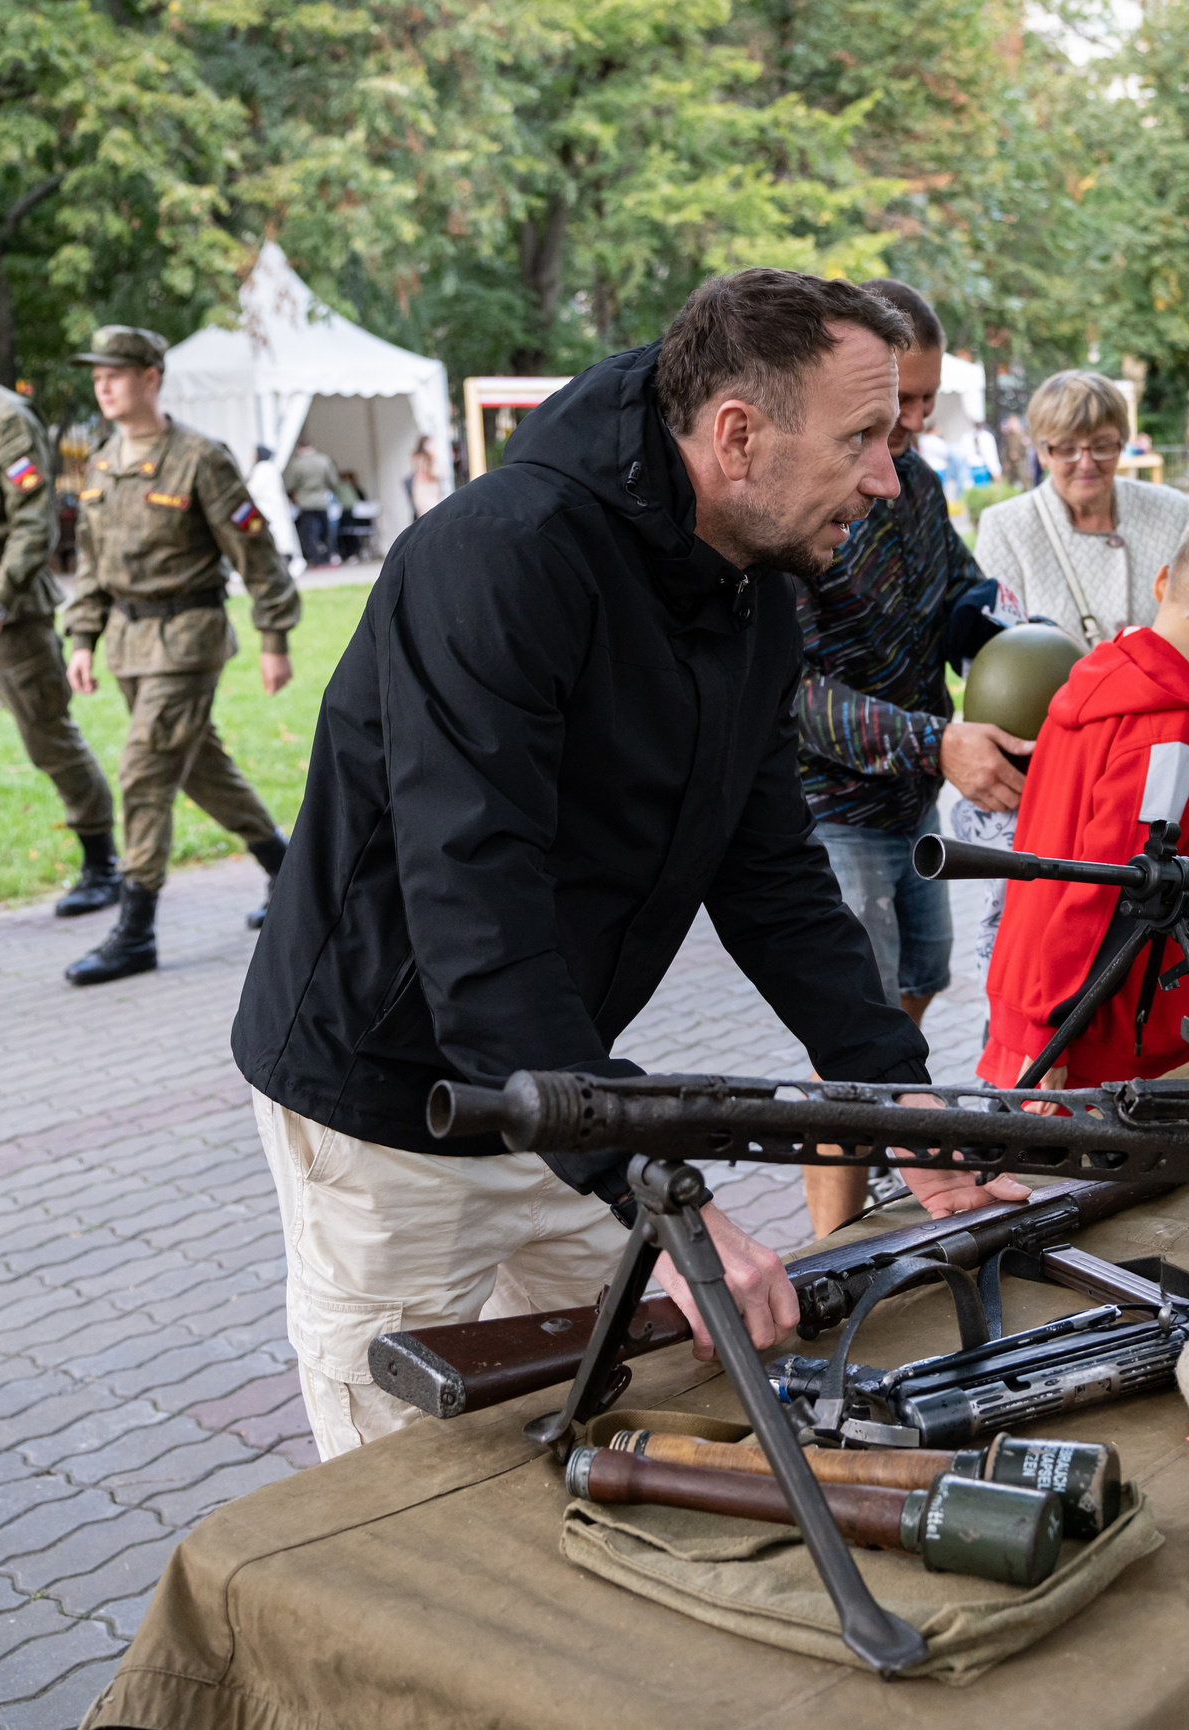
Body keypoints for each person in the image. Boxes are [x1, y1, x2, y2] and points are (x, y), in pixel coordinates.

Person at [230, 268, 1023, 1458]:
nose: (890, 476)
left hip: (563, 1083)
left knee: (644, 1392)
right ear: (738, 435)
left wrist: (888, 1088)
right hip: (388, 1102)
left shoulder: (751, 579)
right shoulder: (498, 558)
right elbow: (475, 912)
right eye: (863, 435)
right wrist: (657, 1183)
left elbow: (765, 865)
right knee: (397, 1487)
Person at [787, 278, 1027, 1237]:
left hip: (910, 804)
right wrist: (939, 742)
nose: (916, 423)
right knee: (848, 1038)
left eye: (924, 402)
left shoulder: (917, 485)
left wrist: (1022, 638)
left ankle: (898, 1154)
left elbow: (964, 597)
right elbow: (790, 697)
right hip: (831, 811)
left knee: (912, 992)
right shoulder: (806, 502)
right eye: (901, 406)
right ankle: (833, 1248)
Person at [977, 513, 1189, 1091]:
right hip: (1096, 1038)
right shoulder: (1176, 728)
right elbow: (1118, 885)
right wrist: (1056, 1034)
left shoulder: (1094, 675)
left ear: (1162, 581)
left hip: (1035, 988)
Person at [61, 325, 302, 985]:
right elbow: (90, 565)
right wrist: (80, 638)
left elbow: (255, 552)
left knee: (143, 771)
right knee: (200, 768)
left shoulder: (199, 457)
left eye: (115, 372)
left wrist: (273, 638)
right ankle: (290, 871)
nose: (102, 384)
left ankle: (135, 930)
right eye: (97, 373)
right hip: (128, 645)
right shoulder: (103, 461)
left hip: (189, 638)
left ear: (151, 377)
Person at [959, 370, 1189, 957]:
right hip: (1056, 764)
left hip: (1147, 758)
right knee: (1046, 938)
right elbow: (995, 659)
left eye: (1103, 444)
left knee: (1146, 929)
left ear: (1125, 441)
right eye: (1064, 448)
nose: (1084, 461)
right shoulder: (1009, 526)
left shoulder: (1168, 513)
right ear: (1041, 450)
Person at [0, 301, 120, 915]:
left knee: (49, 739)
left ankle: (102, 863)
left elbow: (35, 525)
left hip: (4, 617)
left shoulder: (5, 418)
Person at [245, 443, 304, 573]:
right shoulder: (271, 468)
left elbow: (253, 490)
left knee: (270, 538)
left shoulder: (262, 469)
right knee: (281, 538)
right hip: (275, 510)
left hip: (266, 510)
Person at [281, 437, 338, 567]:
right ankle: (328, 556)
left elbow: (293, 484)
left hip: (305, 502)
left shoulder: (298, 464)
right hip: (322, 500)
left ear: (300, 448)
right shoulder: (324, 460)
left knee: (308, 533)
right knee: (326, 531)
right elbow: (333, 481)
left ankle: (315, 559)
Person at [405, 435, 447, 522]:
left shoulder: (432, 459)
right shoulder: (419, 459)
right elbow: (427, 473)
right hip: (424, 491)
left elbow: (443, 471)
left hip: (432, 491)